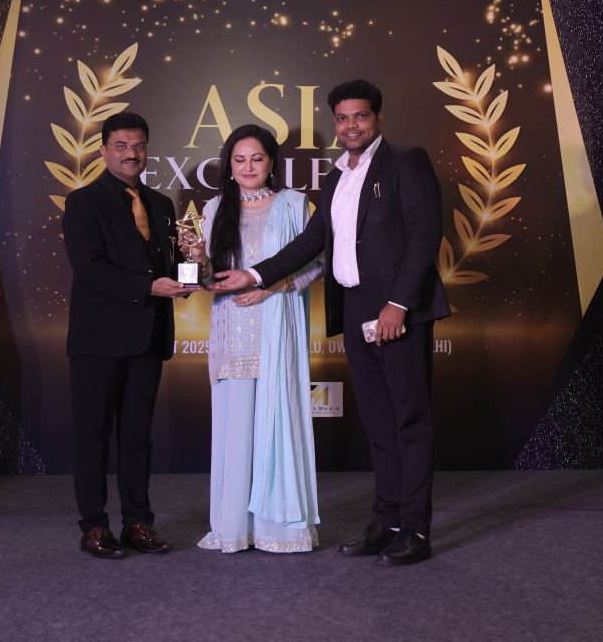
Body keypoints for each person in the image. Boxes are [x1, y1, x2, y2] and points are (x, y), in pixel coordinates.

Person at [210, 80, 450, 566]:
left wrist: (399, 304)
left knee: (409, 419)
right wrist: (253, 275)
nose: (351, 126)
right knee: (378, 422)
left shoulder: (407, 161)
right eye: (342, 118)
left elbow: (425, 237)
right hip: (355, 309)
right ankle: (387, 522)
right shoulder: (337, 177)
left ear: (377, 119)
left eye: (360, 116)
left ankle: (416, 530)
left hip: (397, 311)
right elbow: (309, 244)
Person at [62, 111, 197, 558]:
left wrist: (192, 271)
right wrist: (149, 287)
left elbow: (172, 265)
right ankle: (94, 527)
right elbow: (90, 267)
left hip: (148, 338)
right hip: (98, 341)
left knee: (137, 437)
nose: (131, 154)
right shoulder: (82, 203)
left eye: (138, 146)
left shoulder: (161, 205)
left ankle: (138, 523)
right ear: (103, 151)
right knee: (93, 436)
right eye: (121, 146)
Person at [186, 124, 322, 553]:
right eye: (239, 159)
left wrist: (274, 287)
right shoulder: (214, 209)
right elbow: (209, 280)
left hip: (278, 324)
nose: (248, 167)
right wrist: (199, 258)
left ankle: (279, 530)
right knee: (237, 428)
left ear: (272, 162)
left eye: (257, 158)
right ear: (229, 165)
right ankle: (233, 528)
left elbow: (318, 262)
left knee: (279, 423)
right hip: (232, 328)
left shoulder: (296, 204)